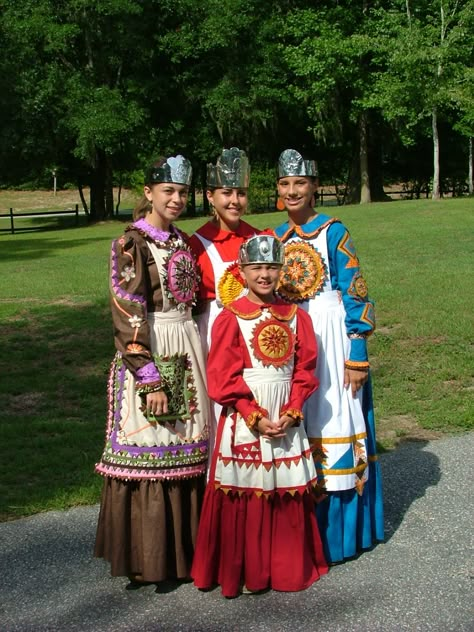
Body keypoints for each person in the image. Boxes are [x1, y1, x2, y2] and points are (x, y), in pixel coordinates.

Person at [94, 155, 210, 586]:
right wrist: (148, 376)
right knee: (155, 445)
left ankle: (189, 551)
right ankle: (152, 559)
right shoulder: (132, 244)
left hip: (187, 347)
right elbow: (127, 310)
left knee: (189, 444)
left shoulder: (181, 243)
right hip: (153, 349)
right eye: (168, 192)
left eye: (182, 192)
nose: (177, 199)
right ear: (149, 192)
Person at [191, 235, 328, 598]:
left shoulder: (297, 316)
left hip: (285, 414)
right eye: (257, 268)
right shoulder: (230, 317)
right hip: (245, 416)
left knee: (285, 488)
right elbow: (222, 377)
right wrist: (252, 414)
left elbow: (305, 369)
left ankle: (284, 567)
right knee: (245, 488)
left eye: (271, 267)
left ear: (281, 270)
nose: (265, 275)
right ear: (243, 271)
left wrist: (292, 409)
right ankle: (245, 568)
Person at [273, 149, 384, 564]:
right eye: (285, 184)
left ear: (314, 186)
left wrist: (358, 350)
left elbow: (356, 289)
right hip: (293, 341)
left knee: (337, 416)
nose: (292, 191)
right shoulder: (276, 238)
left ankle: (341, 534)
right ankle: (302, 528)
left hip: (333, 336)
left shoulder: (334, 231)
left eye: (299, 183)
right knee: (301, 422)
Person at [189, 147, 259, 356]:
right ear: (210, 196)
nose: (235, 201)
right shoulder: (197, 244)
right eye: (226, 193)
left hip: (255, 329)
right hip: (214, 334)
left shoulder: (258, 238)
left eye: (241, 194)